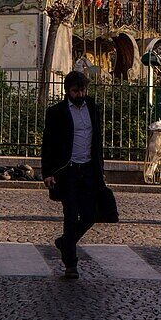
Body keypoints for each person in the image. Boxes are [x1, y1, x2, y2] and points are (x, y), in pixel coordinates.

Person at [41, 70, 107, 279]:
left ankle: (65, 242)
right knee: (70, 215)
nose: (80, 94)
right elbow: (48, 144)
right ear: (67, 91)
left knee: (91, 214)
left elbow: (98, 142)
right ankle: (71, 264)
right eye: (75, 91)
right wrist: (48, 173)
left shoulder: (94, 109)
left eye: (83, 90)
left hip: (88, 169)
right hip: (67, 170)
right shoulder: (56, 112)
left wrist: (100, 170)